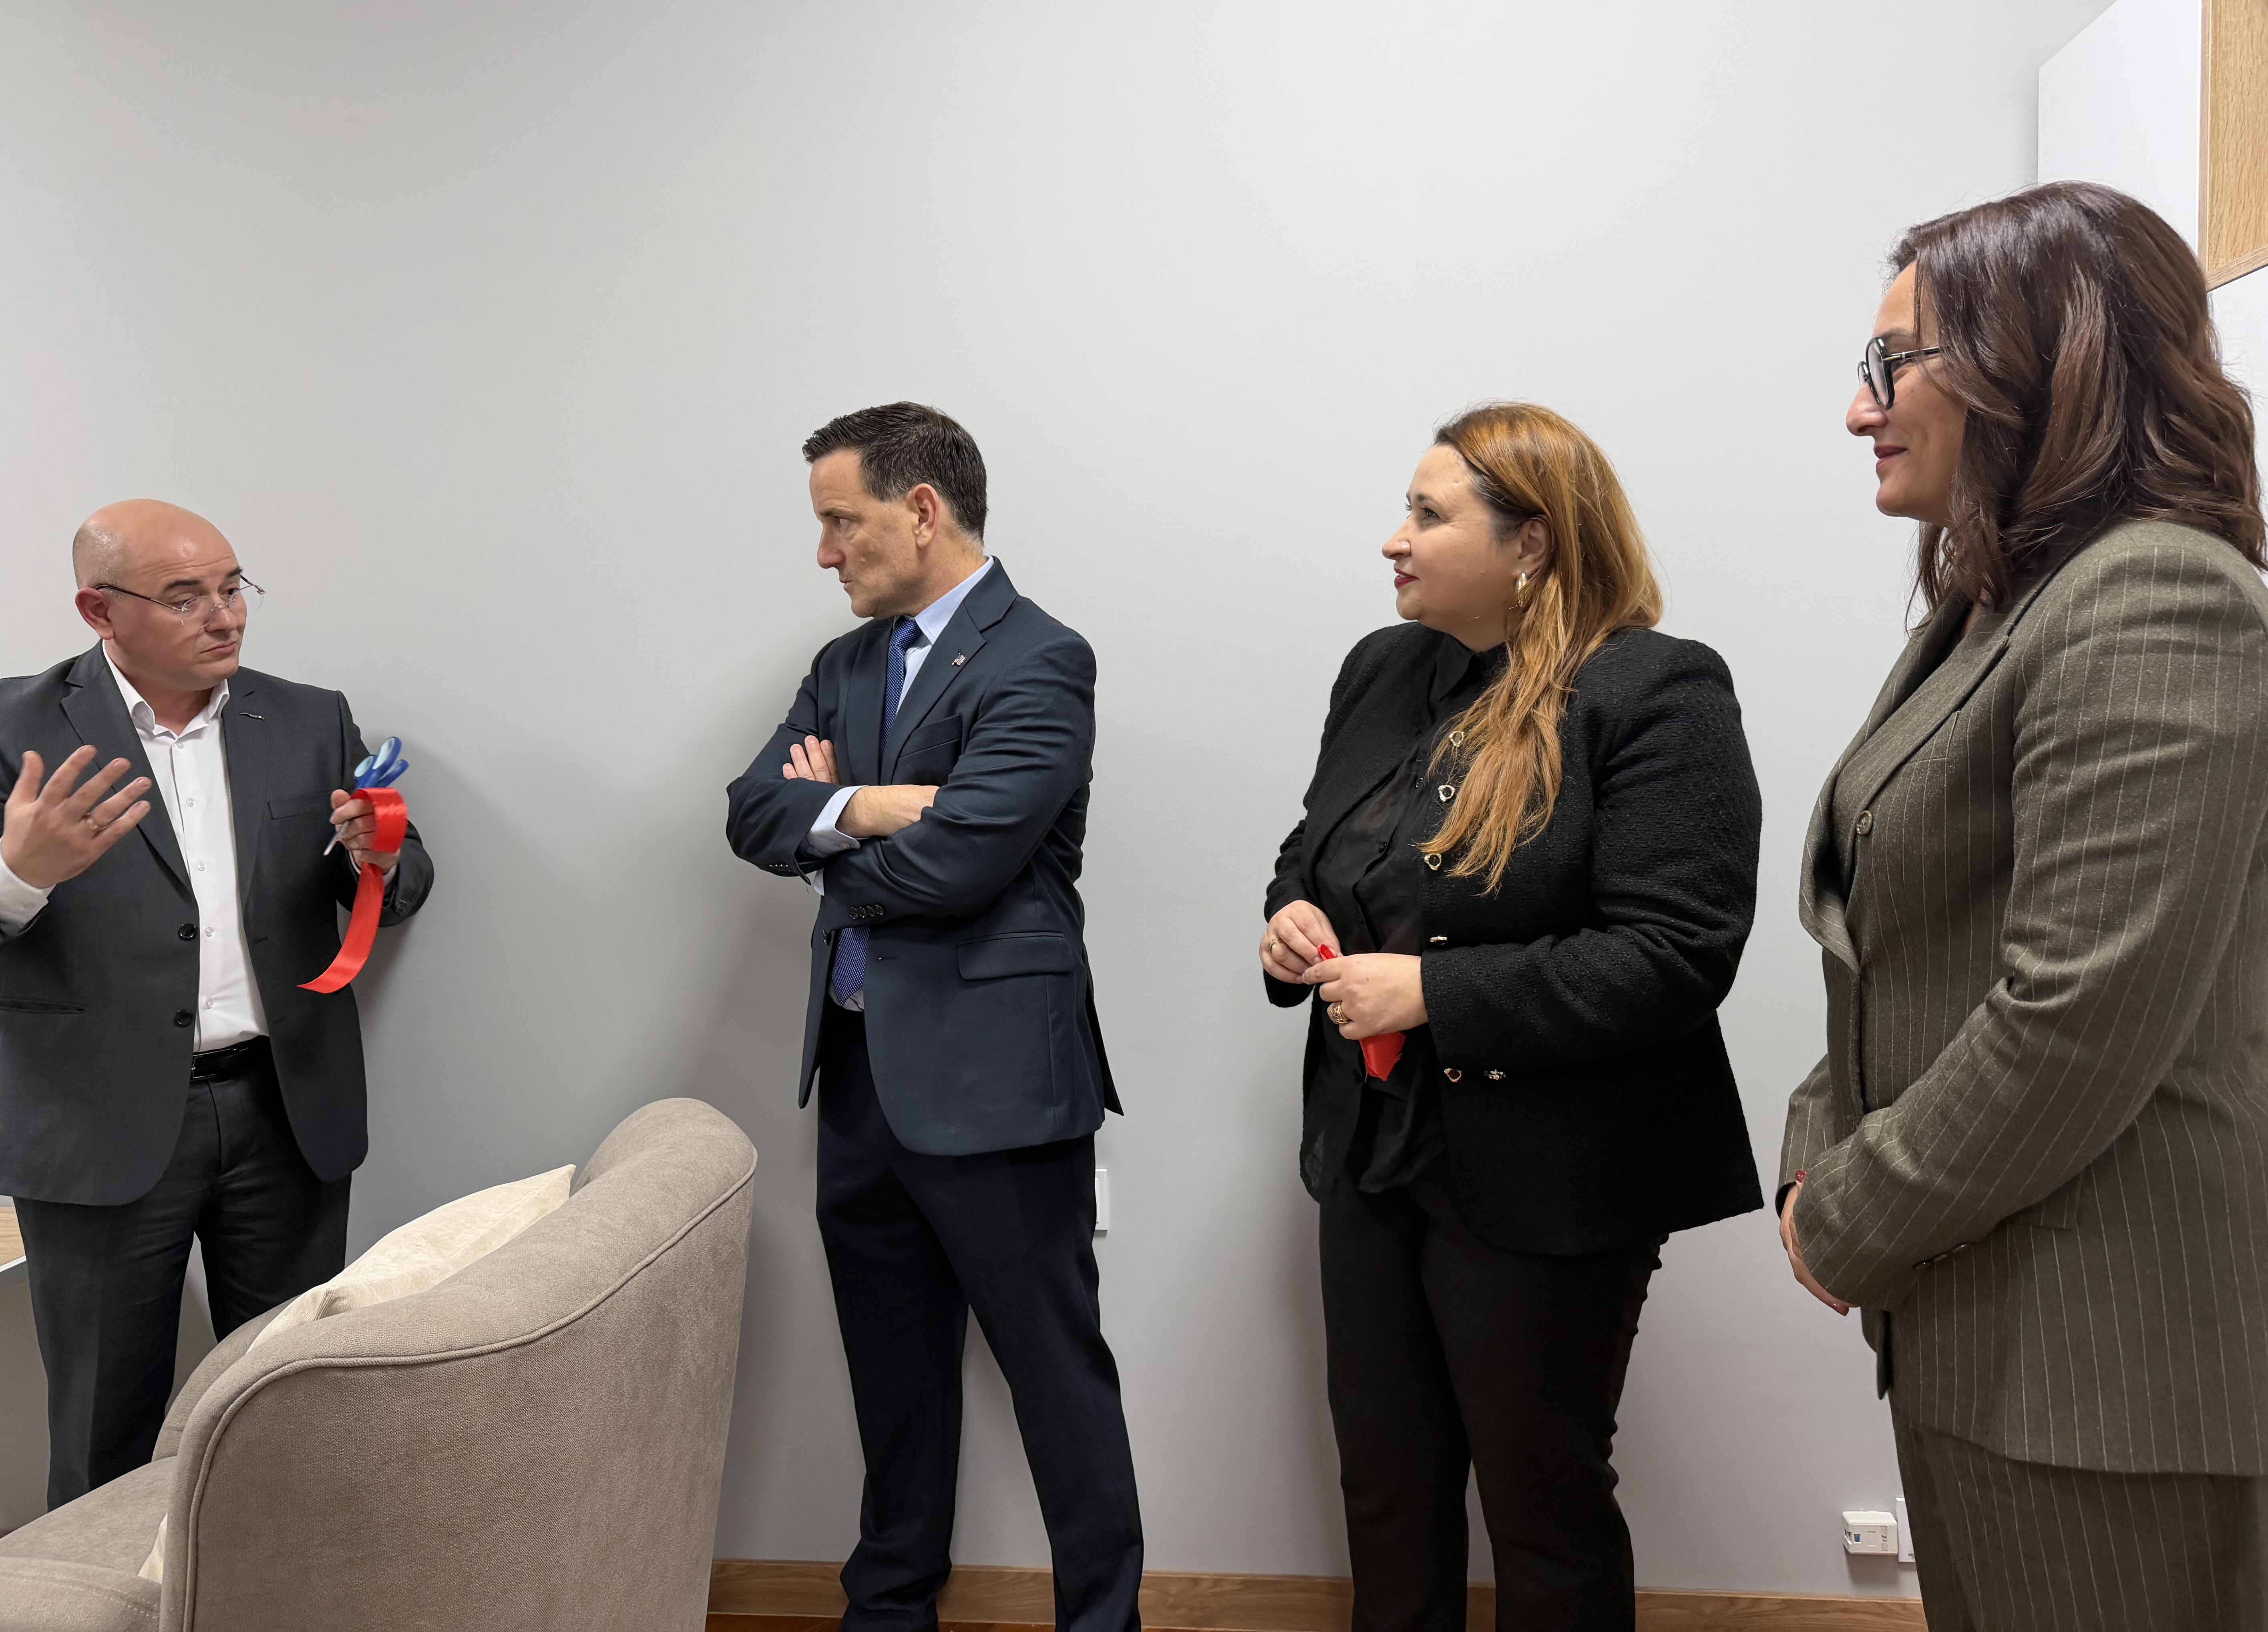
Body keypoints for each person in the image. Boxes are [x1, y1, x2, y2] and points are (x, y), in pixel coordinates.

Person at [1779, 181, 2268, 1630]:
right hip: (1989, 1326)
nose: (1860, 411)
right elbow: (1892, 942)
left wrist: (1843, 1213)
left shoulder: (2156, 595)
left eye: (1891, 366)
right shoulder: (2006, 601)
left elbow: (2075, 1015)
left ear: (2034, 357)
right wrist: (1815, 1147)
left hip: (2103, 1370)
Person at [1262, 403, 1763, 1632]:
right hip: (1373, 1150)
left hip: (1549, 1172)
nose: (1395, 538)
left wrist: (1432, 993)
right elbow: (1315, 849)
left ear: (1530, 541)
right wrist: (1291, 920)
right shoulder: (1383, 670)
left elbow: (1674, 955)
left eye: (1428, 515)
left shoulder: (1656, 690)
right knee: (1386, 1490)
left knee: (1544, 1511)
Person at [725, 403, 1140, 1632]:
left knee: (1056, 1380)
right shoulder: (845, 663)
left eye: (840, 522)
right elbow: (749, 809)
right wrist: (873, 805)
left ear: (921, 510)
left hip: (997, 1085)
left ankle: (1103, 1621)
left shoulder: (1042, 657)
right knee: (893, 1384)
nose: (824, 553)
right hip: (861, 1079)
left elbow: (964, 861)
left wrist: (829, 831)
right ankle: (890, 1612)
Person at [0, 500, 432, 1507]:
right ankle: (108, 1592)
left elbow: (397, 884)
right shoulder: (6, 725)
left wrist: (381, 856)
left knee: (289, 1409)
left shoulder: (311, 717)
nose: (225, 616)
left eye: (233, 587)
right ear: (99, 610)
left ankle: (274, 1589)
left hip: (286, 1111)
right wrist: (20, 870)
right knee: (105, 1428)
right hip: (96, 1123)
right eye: (185, 597)